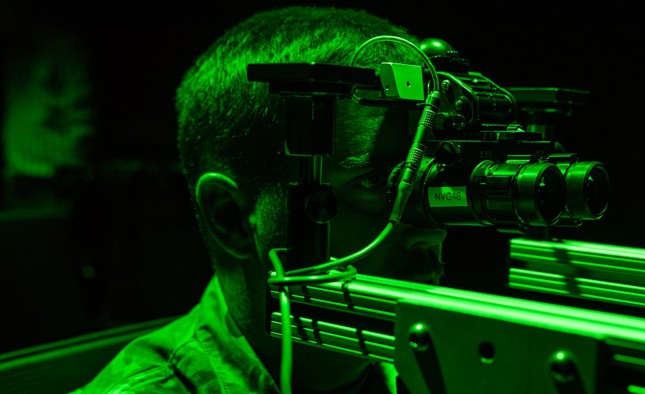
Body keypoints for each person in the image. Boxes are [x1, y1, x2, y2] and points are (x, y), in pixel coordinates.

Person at [74, 5, 447, 393]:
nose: (430, 233)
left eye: (430, 185)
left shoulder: (435, 370)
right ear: (231, 217)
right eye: (374, 184)